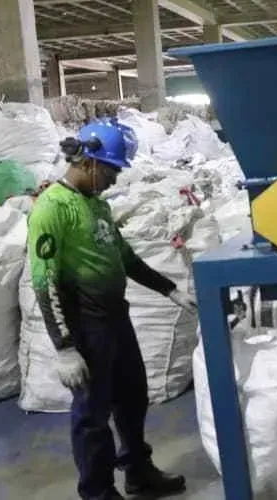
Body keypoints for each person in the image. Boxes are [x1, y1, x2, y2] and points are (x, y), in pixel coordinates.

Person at [27, 118, 198, 500]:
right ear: (87, 162)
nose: (115, 180)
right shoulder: (52, 209)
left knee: (133, 398)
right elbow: (45, 282)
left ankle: (138, 472)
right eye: (111, 171)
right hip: (86, 328)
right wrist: (65, 347)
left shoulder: (97, 207)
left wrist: (170, 290)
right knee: (92, 417)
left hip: (116, 321)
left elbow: (126, 259)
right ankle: (98, 492)